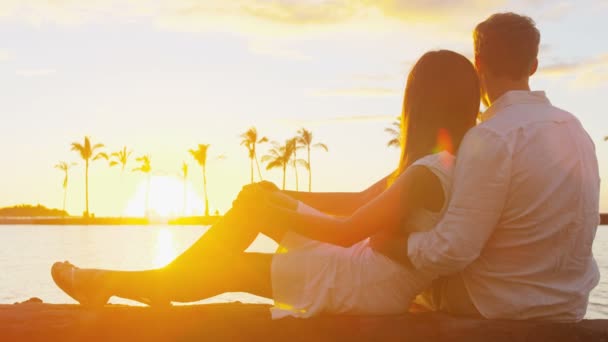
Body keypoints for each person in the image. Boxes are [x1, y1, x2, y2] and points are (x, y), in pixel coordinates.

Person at [51, 49, 481, 317]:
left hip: (364, 284)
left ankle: (125, 282)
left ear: (418, 102)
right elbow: (358, 201)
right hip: (363, 266)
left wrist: (275, 209)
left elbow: (349, 228)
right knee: (257, 204)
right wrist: (281, 195)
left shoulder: (428, 170)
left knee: (233, 269)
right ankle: (155, 282)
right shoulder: (441, 161)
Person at [400, 12, 599, 322]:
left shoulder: (492, 136)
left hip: (495, 303)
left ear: (479, 64)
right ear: (533, 65)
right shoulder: (576, 129)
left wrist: (395, 244)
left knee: (391, 286)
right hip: (568, 304)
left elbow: (453, 251)